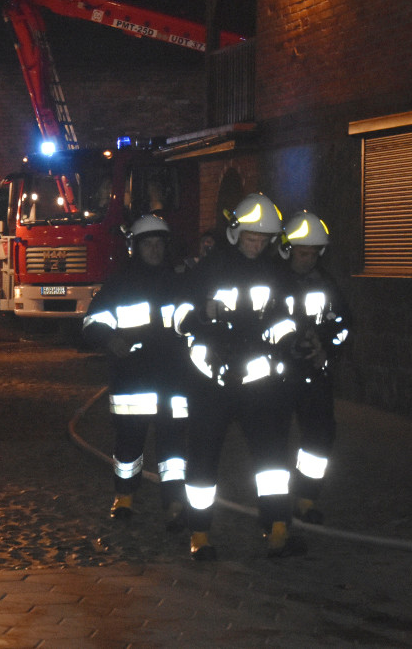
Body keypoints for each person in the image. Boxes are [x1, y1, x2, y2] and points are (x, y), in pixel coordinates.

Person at [175, 192, 305, 560]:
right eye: (251, 238)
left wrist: (288, 340)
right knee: (203, 457)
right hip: (210, 379)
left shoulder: (275, 273)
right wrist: (201, 318)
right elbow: (179, 315)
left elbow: (286, 317)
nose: (257, 245)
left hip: (257, 380)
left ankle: (277, 528)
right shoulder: (209, 268)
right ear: (235, 233)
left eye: (263, 240)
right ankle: (199, 535)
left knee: (272, 459)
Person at [82, 214, 190, 531]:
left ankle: (174, 502)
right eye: (148, 244)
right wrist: (110, 338)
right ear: (135, 248)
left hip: (172, 380)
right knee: (129, 443)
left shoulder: (179, 284)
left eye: (159, 244)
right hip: (133, 381)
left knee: (173, 451)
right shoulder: (119, 285)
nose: (154, 250)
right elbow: (91, 323)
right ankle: (124, 498)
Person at [279, 210, 351, 525]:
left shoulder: (325, 284)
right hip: (277, 376)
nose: (307, 260)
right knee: (273, 441)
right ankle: (275, 505)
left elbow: (344, 325)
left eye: (313, 253)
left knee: (320, 436)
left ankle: (306, 499)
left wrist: (327, 349)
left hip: (314, 373)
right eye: (302, 253)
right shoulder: (272, 281)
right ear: (287, 249)